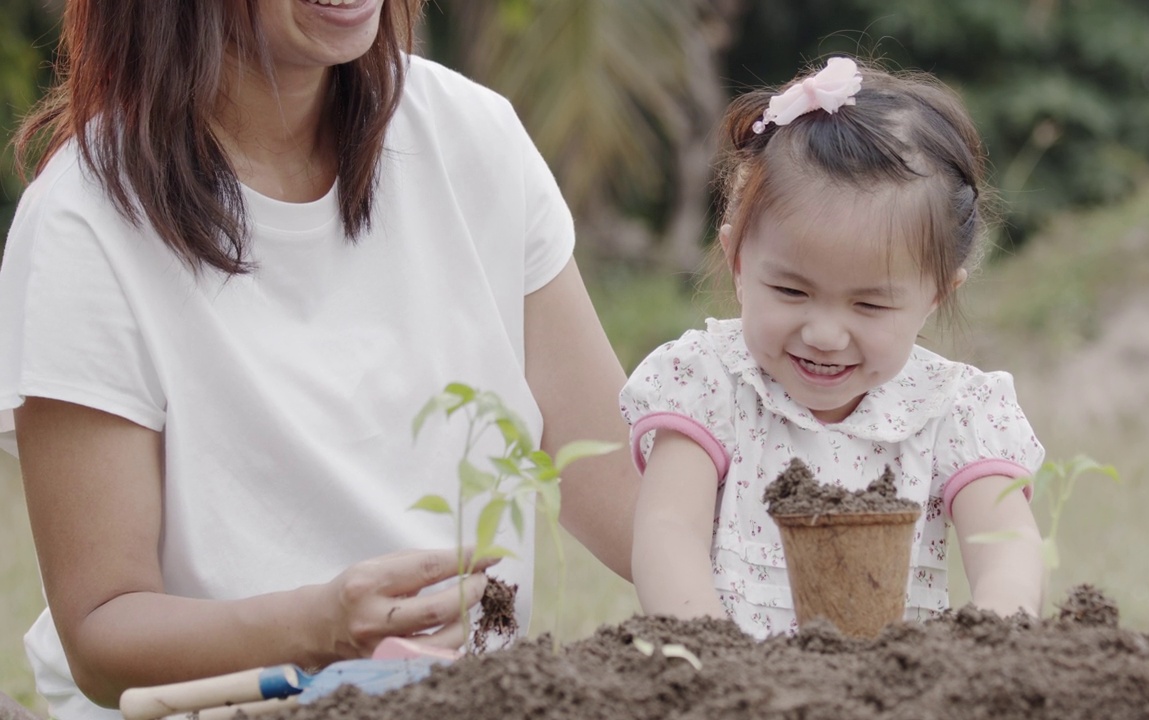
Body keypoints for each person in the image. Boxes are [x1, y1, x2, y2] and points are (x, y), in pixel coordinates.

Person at [0, 2, 639, 718]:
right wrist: (319, 625)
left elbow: (624, 495)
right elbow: (101, 633)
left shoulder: (472, 139)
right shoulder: (85, 224)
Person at [623, 56, 1046, 640]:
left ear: (936, 297)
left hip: (899, 690)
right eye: (791, 290)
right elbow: (668, 529)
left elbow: (1007, 550)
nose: (824, 333)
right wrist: (716, 662)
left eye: (869, 305)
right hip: (732, 686)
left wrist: (986, 648)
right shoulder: (711, 382)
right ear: (738, 263)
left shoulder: (954, 409)